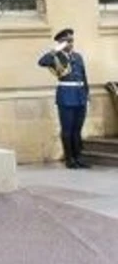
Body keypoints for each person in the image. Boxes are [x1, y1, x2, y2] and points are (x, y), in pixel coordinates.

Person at [38, 28, 90, 169]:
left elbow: (84, 76)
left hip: (80, 96)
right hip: (66, 96)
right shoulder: (56, 57)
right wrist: (55, 50)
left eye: (71, 40)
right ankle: (69, 159)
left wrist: (86, 95)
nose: (70, 43)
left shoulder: (78, 56)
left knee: (77, 129)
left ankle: (78, 157)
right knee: (67, 129)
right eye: (67, 41)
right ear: (60, 42)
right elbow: (42, 62)